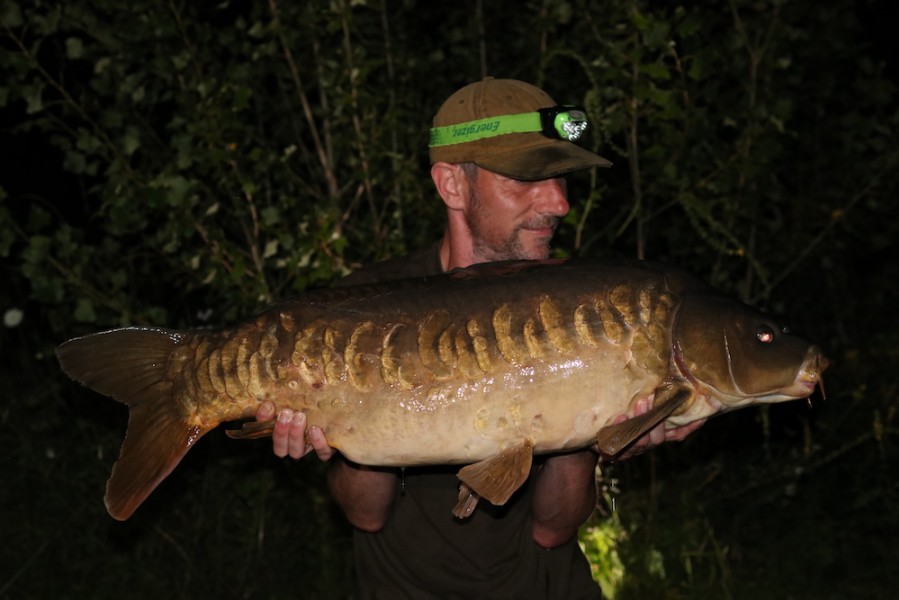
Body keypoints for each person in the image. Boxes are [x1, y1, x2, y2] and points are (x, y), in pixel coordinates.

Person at [255, 78, 703, 599]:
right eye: (525, 179)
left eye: (561, 179)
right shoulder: (361, 310)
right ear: (451, 185)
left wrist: (599, 429)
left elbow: (552, 529)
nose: (558, 203)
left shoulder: (585, 305)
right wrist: (334, 428)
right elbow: (366, 515)